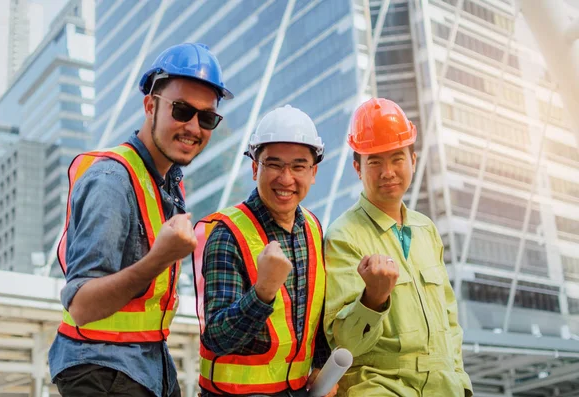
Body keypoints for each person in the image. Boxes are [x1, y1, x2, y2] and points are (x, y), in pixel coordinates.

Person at [48, 43, 233, 397]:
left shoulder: (166, 182)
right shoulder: (111, 182)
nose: (194, 127)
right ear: (151, 106)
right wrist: (160, 258)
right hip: (102, 370)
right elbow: (83, 305)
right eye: (182, 110)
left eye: (206, 118)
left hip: (146, 366)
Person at [323, 98, 473, 396]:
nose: (387, 172)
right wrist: (372, 299)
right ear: (357, 168)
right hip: (381, 388)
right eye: (375, 161)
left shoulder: (426, 230)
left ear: (413, 161)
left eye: (397, 158)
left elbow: (450, 324)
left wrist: (461, 383)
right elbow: (345, 346)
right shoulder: (344, 236)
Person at [192, 105, 338, 397]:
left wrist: (322, 363)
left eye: (298, 166)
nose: (286, 178)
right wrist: (263, 292)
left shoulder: (312, 228)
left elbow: (315, 313)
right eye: (274, 164)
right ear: (255, 167)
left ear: (313, 173)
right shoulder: (227, 233)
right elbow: (217, 338)